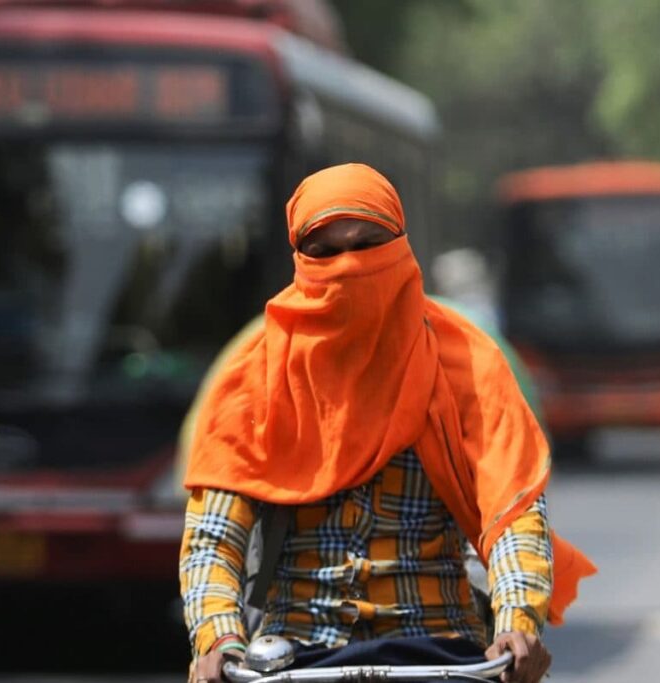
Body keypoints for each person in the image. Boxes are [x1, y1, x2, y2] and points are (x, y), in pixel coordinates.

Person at [179, 164, 595, 683]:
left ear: (400, 246)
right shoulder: (256, 376)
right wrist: (218, 638)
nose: (348, 267)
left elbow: (513, 518)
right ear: (299, 260)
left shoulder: (467, 361)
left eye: (367, 245)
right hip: (293, 658)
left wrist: (516, 621)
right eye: (325, 252)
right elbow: (214, 538)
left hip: (442, 654)